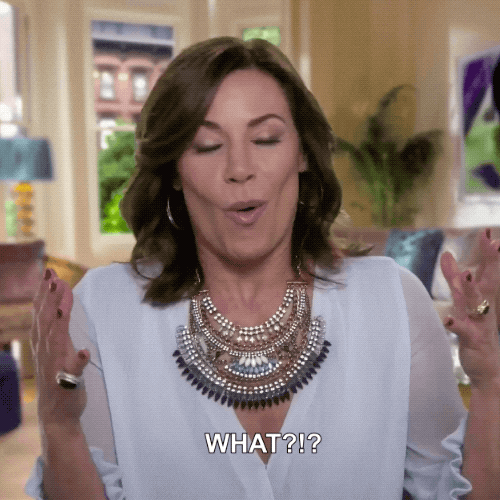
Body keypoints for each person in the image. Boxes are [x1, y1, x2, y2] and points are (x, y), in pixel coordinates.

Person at [26, 37, 500, 499]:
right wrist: (58, 424)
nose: (240, 167)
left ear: (303, 154)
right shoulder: (103, 308)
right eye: (207, 145)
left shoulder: (394, 303)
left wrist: (490, 386)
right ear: (173, 170)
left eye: (266, 139)